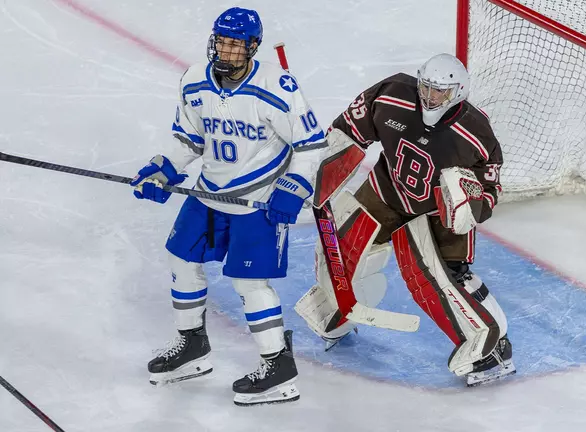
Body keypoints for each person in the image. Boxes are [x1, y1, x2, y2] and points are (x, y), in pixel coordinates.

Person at [130, 7, 326, 405]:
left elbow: (310, 146)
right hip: (209, 193)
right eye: (222, 41)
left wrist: (294, 187)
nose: (227, 49)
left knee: (250, 284)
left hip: (258, 201)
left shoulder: (277, 85)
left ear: (253, 46)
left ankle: (278, 367)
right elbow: (188, 138)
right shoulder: (194, 80)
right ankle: (192, 346)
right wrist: (162, 170)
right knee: (181, 260)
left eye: (236, 43)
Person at [295, 53, 515, 386]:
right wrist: (321, 170)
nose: (430, 97)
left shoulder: (475, 130)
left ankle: (493, 348)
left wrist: (469, 206)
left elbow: (489, 187)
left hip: (439, 211)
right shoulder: (392, 94)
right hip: (387, 191)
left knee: (441, 279)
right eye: (426, 87)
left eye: (440, 92)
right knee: (342, 246)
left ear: (458, 92)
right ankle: (338, 307)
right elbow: (348, 130)